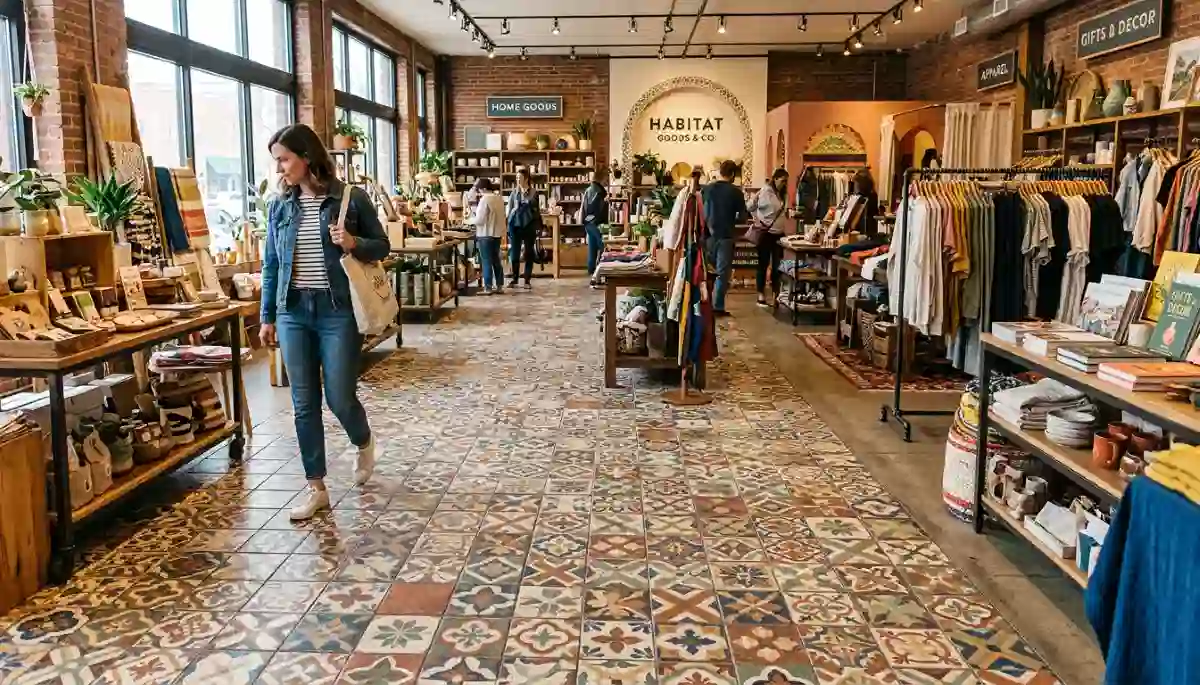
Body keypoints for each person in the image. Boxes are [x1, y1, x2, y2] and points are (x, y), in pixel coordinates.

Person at [259, 123, 390, 521]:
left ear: (306, 157)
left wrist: (353, 243)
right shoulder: (280, 206)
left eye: (284, 158)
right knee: (303, 403)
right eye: (277, 160)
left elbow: (382, 245)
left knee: (338, 396)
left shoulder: (349, 198)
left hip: (337, 312)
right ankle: (316, 487)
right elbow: (272, 265)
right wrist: (267, 316)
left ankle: (363, 441)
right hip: (293, 312)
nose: (280, 168)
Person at [702, 159, 749, 316]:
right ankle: (718, 307)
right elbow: (743, 217)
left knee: (706, 271)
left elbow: (700, 211)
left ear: (720, 172)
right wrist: (731, 220)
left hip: (707, 236)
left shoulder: (707, 189)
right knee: (722, 273)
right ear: (733, 174)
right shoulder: (736, 192)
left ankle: (704, 304)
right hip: (726, 236)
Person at [749, 168, 789, 307]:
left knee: (777, 266)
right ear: (776, 178)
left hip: (778, 234)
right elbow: (752, 207)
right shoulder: (766, 191)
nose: (784, 184)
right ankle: (761, 294)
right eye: (783, 180)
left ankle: (775, 293)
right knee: (763, 264)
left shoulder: (780, 193)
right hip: (766, 234)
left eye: (786, 181)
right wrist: (758, 220)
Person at [470, 178, 505, 294]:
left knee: (486, 261)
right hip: (497, 235)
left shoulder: (485, 199)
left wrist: (469, 221)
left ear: (483, 189)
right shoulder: (499, 198)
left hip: (485, 234)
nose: (478, 192)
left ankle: (488, 287)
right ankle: (500, 285)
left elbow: (480, 220)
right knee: (496, 260)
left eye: (479, 189)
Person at [506, 167, 539, 289]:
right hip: (515, 226)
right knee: (514, 254)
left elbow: (535, 210)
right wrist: (508, 226)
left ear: (526, 179)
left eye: (520, 178)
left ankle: (527, 280)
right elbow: (509, 211)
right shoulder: (514, 193)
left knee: (528, 253)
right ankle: (514, 279)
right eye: (516, 178)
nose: (518, 180)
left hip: (529, 226)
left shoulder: (533, 193)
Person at [582, 171, 609, 280]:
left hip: (587, 222)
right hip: (596, 222)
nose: (607, 181)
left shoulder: (588, 190)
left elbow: (584, 208)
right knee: (603, 245)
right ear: (601, 179)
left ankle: (591, 269)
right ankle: (600, 269)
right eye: (606, 178)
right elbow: (600, 209)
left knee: (592, 246)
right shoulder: (600, 191)